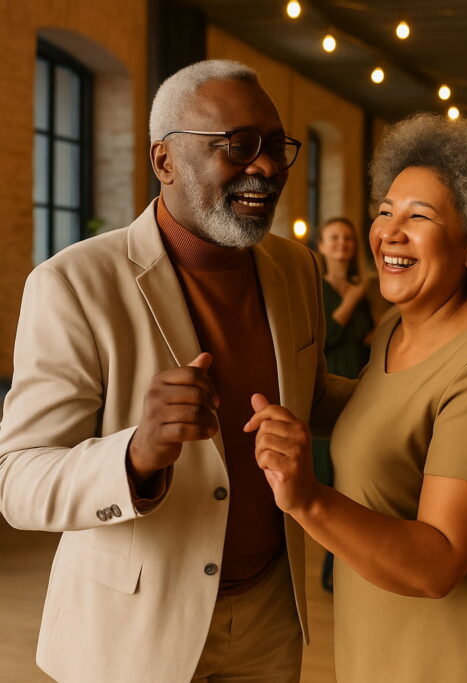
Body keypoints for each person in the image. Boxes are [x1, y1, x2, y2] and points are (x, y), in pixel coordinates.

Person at [0, 59, 348, 683]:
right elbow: (18, 481)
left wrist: (429, 394)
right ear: (164, 160)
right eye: (238, 146)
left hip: (270, 613)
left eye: (276, 146)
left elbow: (311, 397)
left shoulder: (296, 267)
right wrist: (135, 453)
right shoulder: (74, 284)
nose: (266, 167)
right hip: (132, 631)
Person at [245, 113, 467, 682]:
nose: (390, 232)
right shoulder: (396, 329)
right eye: (386, 211)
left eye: (419, 217)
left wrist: (307, 499)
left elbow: (439, 560)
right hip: (385, 631)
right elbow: (386, 418)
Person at [313, 216, 376, 591]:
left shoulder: (361, 288)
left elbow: (362, 337)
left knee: (355, 482)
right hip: (328, 389)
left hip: (360, 389)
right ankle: (331, 572)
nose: (342, 244)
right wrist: (350, 301)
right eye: (334, 238)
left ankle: (345, 569)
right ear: (321, 245)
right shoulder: (315, 288)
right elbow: (323, 341)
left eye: (348, 238)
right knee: (333, 483)